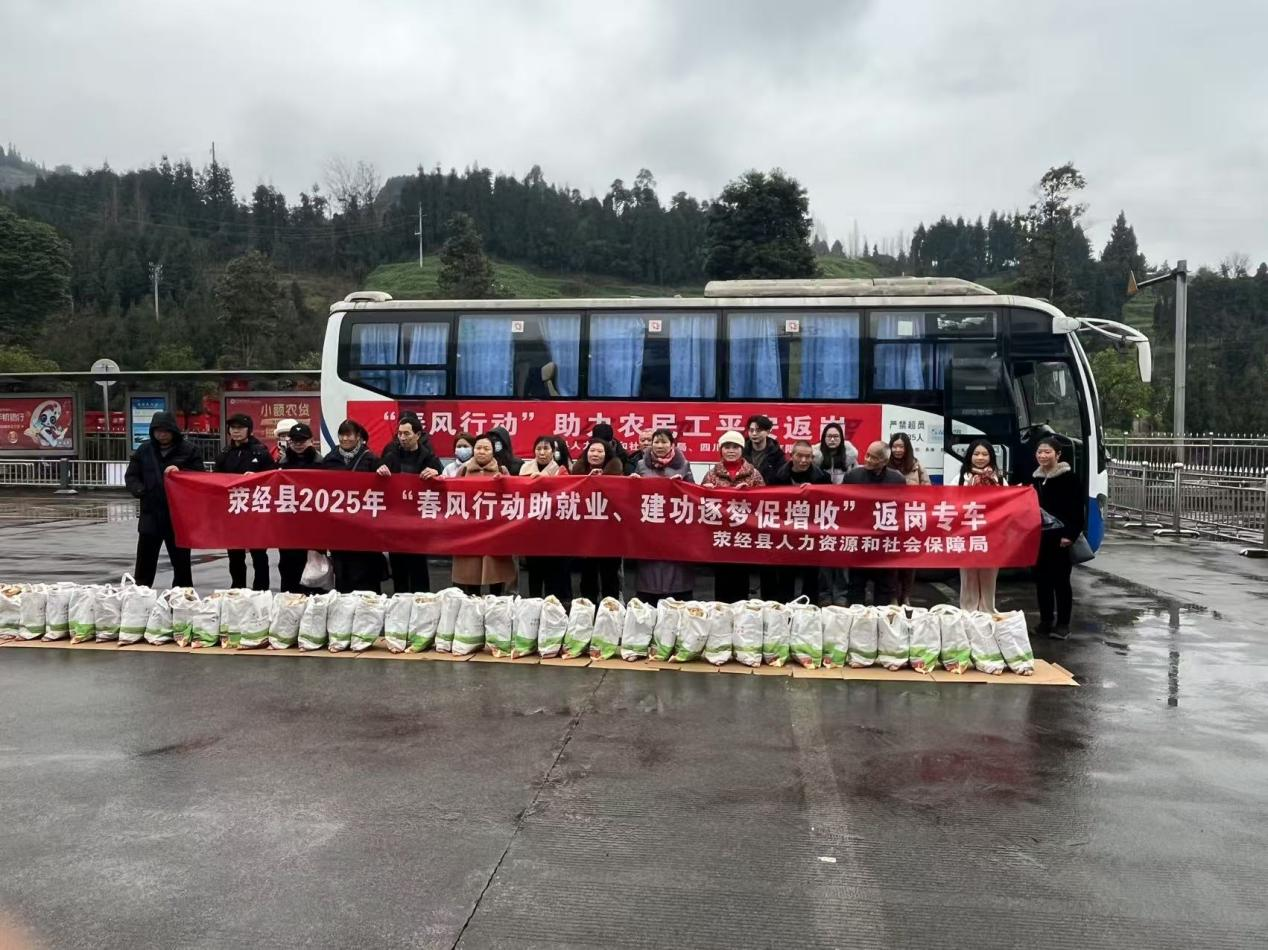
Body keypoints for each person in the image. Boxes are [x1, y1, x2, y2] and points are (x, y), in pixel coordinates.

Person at [125, 411, 205, 588]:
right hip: (150, 514)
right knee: (145, 562)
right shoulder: (144, 450)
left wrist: (181, 471)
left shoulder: (189, 450)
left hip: (177, 516)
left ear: (173, 430)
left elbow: (199, 475)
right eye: (157, 431)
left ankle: (182, 595)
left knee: (181, 563)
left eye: (165, 431)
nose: (161, 435)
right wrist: (140, 490)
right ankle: (141, 595)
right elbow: (132, 476)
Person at [376, 412, 442, 593]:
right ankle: (400, 603)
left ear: (418, 435)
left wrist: (436, 474)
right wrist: (379, 470)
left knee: (418, 568)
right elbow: (377, 477)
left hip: (418, 523)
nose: (402, 438)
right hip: (395, 522)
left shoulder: (429, 458)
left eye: (407, 433)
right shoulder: (390, 455)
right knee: (399, 569)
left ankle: (422, 603)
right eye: (399, 434)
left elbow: (443, 481)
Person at [631, 428, 695, 605]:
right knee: (650, 569)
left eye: (664, 442)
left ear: (672, 444)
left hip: (675, 525)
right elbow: (634, 496)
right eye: (656, 442)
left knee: (675, 568)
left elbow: (693, 494)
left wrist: (682, 485)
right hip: (650, 525)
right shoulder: (641, 465)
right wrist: (632, 483)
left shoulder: (684, 465)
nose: (660, 446)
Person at [214, 412, 275, 590]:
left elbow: (272, 477)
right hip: (234, 510)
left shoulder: (260, 451)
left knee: (259, 554)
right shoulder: (225, 453)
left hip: (255, 510)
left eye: (240, 428)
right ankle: (238, 588)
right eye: (233, 428)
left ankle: (261, 589)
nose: (236, 431)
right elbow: (215, 479)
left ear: (249, 430)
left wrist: (256, 477)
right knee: (235, 555)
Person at [321, 419, 384, 593]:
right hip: (339, 527)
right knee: (343, 572)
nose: (344, 439)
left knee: (366, 573)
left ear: (358, 437)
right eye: (341, 435)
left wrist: (383, 472)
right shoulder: (330, 460)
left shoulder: (371, 460)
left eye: (349, 435)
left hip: (364, 528)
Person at [702, 429, 765, 602]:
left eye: (735, 447)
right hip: (720, 535)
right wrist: (706, 491)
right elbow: (699, 504)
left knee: (741, 579)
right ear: (720, 449)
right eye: (727, 446)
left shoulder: (754, 474)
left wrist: (749, 494)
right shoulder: (712, 474)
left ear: (742, 450)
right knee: (721, 579)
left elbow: (765, 502)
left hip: (743, 535)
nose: (731, 450)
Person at [452, 434, 518, 595]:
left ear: (493, 452)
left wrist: (504, 483)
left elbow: (514, 497)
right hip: (470, 530)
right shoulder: (464, 470)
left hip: (495, 531)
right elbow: (451, 493)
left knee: (496, 574)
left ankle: (496, 605)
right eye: (478, 448)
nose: (481, 451)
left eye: (486, 448)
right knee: (470, 575)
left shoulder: (502, 471)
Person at [1032, 436, 1084, 639]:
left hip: (1060, 539)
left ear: (1058, 454)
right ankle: (1045, 621)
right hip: (1039, 538)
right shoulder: (1035, 479)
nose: (1043, 455)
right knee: (1041, 581)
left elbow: (1077, 510)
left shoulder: (1070, 478)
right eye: (1040, 452)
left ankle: (1063, 624)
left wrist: (1070, 535)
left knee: (1061, 582)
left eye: (1047, 452)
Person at [843, 441, 906, 605]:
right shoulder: (853, 477)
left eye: (874, 458)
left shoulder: (897, 479)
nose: (868, 460)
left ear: (885, 461)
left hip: (885, 543)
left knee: (885, 588)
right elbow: (842, 505)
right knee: (855, 586)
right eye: (867, 455)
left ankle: (881, 618)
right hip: (860, 542)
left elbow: (902, 509)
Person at [768, 440, 829, 603]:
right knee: (785, 574)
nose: (803, 460)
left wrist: (816, 492)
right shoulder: (777, 476)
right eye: (799, 456)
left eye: (808, 457)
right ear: (791, 456)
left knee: (811, 575)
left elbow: (829, 504)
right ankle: (784, 606)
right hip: (785, 532)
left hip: (812, 533)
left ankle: (810, 607)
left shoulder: (822, 478)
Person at [571, 438, 625, 601]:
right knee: (588, 574)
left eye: (600, 451)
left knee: (610, 574)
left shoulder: (618, 474)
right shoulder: (577, 472)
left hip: (611, 533)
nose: (595, 454)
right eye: (592, 450)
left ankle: (611, 609)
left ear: (607, 455)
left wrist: (605, 481)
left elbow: (623, 499)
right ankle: (587, 609)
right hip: (586, 531)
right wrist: (587, 480)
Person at [520, 435, 572, 603]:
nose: (542, 452)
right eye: (538, 449)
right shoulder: (524, 468)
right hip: (531, 529)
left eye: (546, 448)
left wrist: (545, 480)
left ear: (553, 451)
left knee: (552, 574)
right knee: (534, 573)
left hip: (553, 531)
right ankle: (533, 607)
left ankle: (551, 609)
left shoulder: (561, 471)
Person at [275, 422, 323, 593]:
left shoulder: (321, 463)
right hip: (289, 524)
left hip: (314, 524)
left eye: (302, 440)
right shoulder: (282, 463)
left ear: (311, 440)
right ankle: (289, 599)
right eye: (294, 441)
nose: (298, 444)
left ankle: (315, 601)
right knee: (288, 565)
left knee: (315, 565)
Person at [958, 440, 1005, 613]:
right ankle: (968, 612)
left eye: (985, 454)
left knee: (989, 574)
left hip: (991, 534)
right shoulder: (961, 479)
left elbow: (1008, 504)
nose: (980, 458)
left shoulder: (999, 479)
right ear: (969, 456)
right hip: (967, 533)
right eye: (976, 454)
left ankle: (987, 611)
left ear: (991, 457)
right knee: (968, 575)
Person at [814, 422, 856, 605]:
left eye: (836, 436)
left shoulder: (850, 459)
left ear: (842, 439)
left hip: (844, 513)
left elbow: (856, 484)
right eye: (829, 436)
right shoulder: (815, 458)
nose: (832, 440)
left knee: (842, 554)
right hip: (821, 512)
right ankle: (824, 594)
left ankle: (841, 595)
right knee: (824, 554)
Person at [888, 432, 931, 604]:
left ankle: (906, 596)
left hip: (911, 519)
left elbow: (928, 490)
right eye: (894, 446)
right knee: (891, 561)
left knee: (909, 561)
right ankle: (893, 596)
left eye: (901, 446)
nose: (898, 450)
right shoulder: (885, 464)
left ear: (907, 448)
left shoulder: (916, 466)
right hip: (890, 519)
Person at [743, 414, 786, 485]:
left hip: (768, 491)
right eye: (751, 430)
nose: (754, 433)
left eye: (758, 430)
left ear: (768, 432)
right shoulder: (741, 452)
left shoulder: (777, 455)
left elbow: (782, 479)